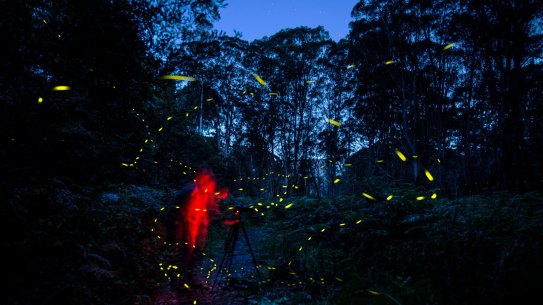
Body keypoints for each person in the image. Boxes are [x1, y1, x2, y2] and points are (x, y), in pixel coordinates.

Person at [156, 169, 227, 290]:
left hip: (194, 228)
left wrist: (215, 210)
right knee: (182, 253)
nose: (212, 188)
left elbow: (205, 211)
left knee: (192, 253)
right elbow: (187, 215)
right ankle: (177, 283)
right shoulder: (193, 191)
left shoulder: (202, 192)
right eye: (211, 184)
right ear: (204, 180)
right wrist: (190, 234)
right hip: (183, 227)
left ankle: (189, 279)